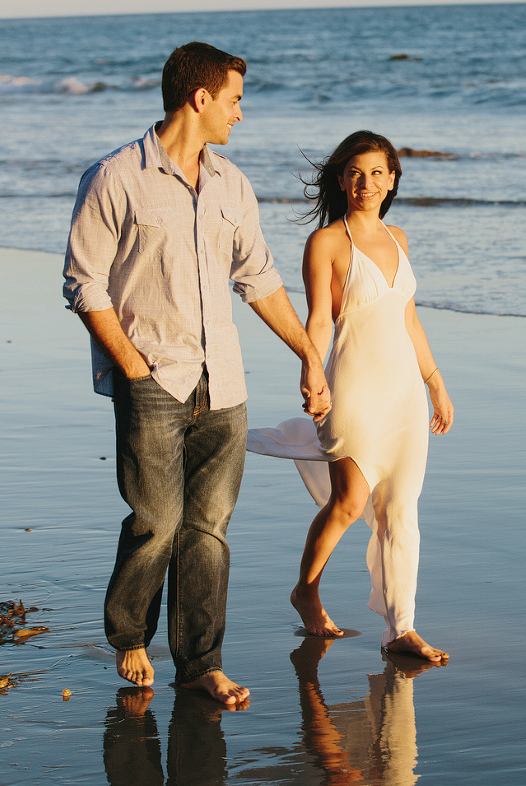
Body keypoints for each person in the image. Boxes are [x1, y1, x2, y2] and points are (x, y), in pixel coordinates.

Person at [63, 41, 330, 707]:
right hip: (152, 377)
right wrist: (132, 365)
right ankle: (130, 633)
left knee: (208, 531)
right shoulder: (115, 176)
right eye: (235, 99)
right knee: (156, 520)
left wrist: (306, 351)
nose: (241, 114)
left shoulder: (232, 184)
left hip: (225, 385)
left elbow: (258, 278)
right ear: (200, 97)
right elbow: (82, 282)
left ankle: (200, 663)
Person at [248, 131, 453, 663]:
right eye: (356, 173)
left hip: (405, 392)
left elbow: (408, 317)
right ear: (341, 180)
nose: (367, 183)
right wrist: (311, 373)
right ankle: (306, 590)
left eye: (378, 172)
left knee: (402, 511)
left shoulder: (399, 237)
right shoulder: (327, 243)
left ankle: (401, 627)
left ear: (392, 180)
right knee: (350, 502)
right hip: (354, 389)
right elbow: (318, 319)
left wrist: (435, 382)